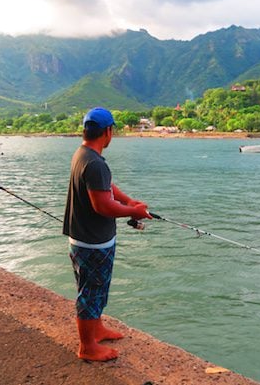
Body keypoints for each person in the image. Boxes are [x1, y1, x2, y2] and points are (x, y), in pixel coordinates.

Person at [63, 107, 151, 362]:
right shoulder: (94, 162)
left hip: (85, 237)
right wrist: (132, 211)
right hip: (92, 242)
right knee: (91, 292)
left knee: (96, 289)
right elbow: (102, 205)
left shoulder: (83, 155)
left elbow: (106, 187)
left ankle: (97, 328)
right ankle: (87, 347)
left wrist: (128, 201)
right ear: (108, 132)